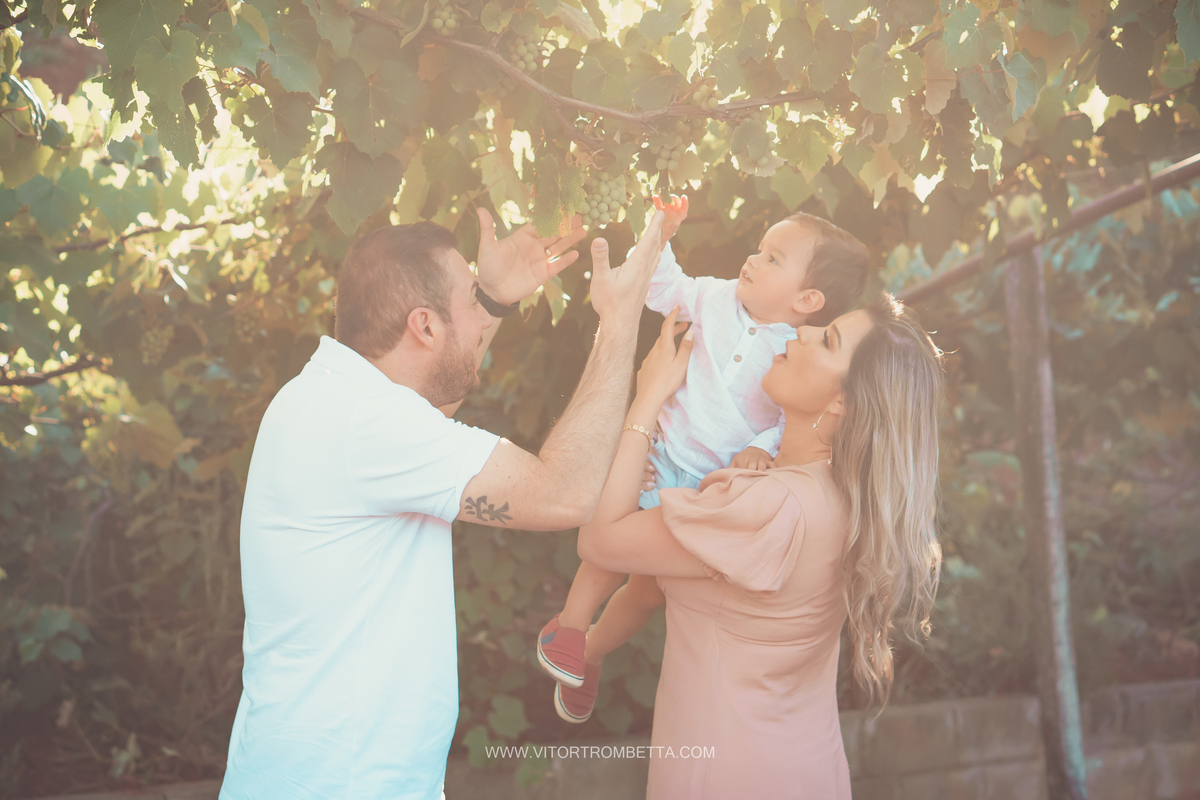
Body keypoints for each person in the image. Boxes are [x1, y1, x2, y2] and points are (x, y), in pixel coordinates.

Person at [219, 209, 668, 800]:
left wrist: (495, 302)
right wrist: (621, 319)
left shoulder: (332, 397)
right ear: (425, 325)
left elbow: (430, 410)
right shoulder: (367, 422)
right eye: (470, 300)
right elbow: (565, 495)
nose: (479, 321)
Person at [574, 293, 944, 798]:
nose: (803, 332)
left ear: (844, 401)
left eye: (828, 340)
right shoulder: (841, 500)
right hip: (803, 768)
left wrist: (648, 398)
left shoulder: (771, 506)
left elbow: (599, 541)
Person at [536, 197, 870, 719]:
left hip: (706, 485)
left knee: (648, 592)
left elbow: (786, 419)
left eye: (773, 259)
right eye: (759, 249)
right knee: (608, 555)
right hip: (663, 450)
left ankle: (592, 653)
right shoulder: (716, 298)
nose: (753, 260)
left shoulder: (794, 350)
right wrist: (661, 234)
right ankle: (569, 628)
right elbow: (664, 287)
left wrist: (760, 448)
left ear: (808, 299)